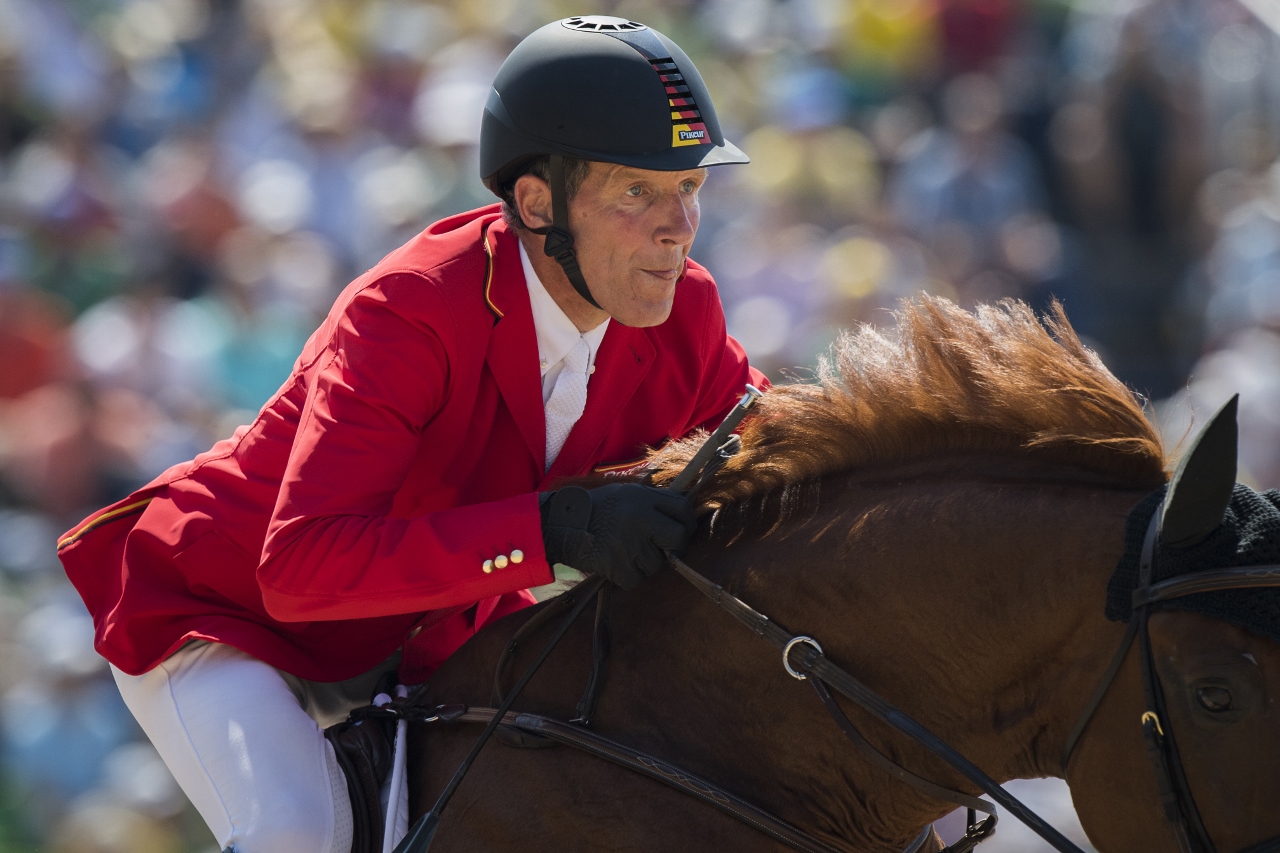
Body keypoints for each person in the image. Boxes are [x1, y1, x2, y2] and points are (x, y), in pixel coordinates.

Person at [57, 15, 764, 853]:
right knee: (299, 831)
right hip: (226, 609)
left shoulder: (685, 310)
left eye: (690, 186)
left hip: (416, 634)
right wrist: (548, 532)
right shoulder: (411, 310)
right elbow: (301, 567)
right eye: (637, 193)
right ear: (538, 203)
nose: (680, 226)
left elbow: (779, 448)